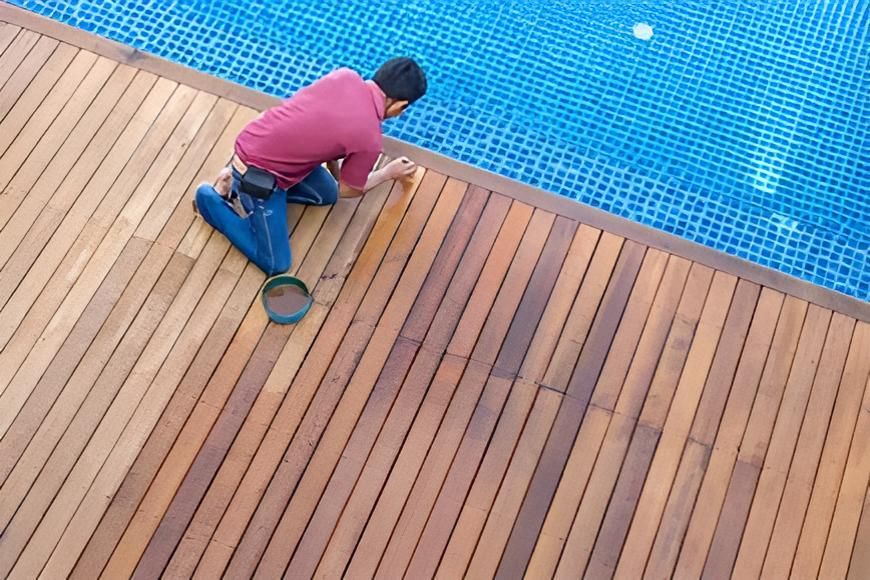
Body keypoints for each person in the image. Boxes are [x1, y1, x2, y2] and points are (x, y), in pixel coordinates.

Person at [193, 57, 427, 275]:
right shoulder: (369, 137)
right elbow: (349, 190)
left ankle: (238, 184)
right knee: (276, 263)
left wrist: (336, 160)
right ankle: (209, 199)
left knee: (325, 194)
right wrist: (388, 173)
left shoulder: (344, 76)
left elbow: (318, 124)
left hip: (256, 139)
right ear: (400, 106)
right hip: (258, 175)